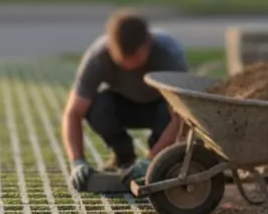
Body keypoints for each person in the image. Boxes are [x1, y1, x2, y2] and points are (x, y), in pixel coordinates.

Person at [64, 10, 188, 191]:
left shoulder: (168, 55)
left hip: (161, 107)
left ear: (148, 43)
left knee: (172, 114)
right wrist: (77, 161)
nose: (130, 68)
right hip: (124, 103)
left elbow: (183, 119)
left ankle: (160, 160)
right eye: (122, 62)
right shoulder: (98, 57)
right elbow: (73, 113)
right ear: (111, 48)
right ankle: (123, 155)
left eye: (136, 60)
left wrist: (152, 160)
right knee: (97, 107)